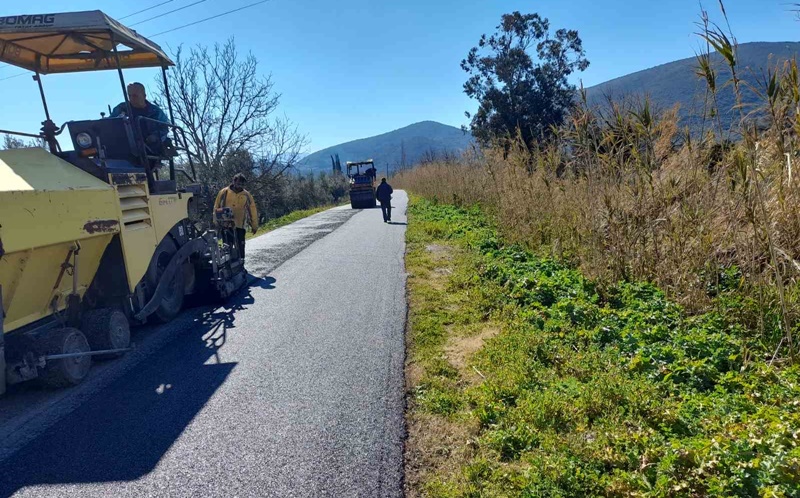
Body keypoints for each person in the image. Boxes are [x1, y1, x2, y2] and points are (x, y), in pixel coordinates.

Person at [111, 82, 170, 155]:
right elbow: (109, 123)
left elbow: (164, 129)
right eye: (130, 96)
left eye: (135, 96)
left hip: (149, 149)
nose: (132, 98)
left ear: (144, 96)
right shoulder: (121, 108)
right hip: (123, 147)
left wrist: (155, 137)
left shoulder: (155, 112)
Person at [214, 173, 259, 262]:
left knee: (241, 245)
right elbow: (216, 207)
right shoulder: (224, 192)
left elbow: (252, 210)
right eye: (238, 183)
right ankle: (228, 265)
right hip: (226, 224)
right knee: (227, 245)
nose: (240, 186)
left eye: (242, 184)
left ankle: (241, 264)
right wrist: (216, 222)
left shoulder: (246, 195)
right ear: (234, 181)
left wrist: (254, 226)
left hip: (240, 225)